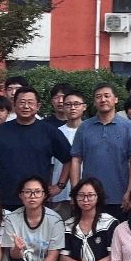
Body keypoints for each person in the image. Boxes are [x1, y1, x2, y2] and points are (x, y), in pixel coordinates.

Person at [0, 86, 72, 210]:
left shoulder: (50, 132)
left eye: (30, 103)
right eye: (22, 102)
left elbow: (68, 159)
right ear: (14, 105)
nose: (26, 106)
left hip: (37, 198)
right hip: (4, 198)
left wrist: (60, 186)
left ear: (38, 106)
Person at [70, 83, 131, 218]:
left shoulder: (129, 127)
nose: (103, 99)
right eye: (98, 97)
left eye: (107, 96)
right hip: (88, 197)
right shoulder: (84, 127)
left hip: (119, 195)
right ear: (94, 102)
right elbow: (76, 160)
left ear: (116, 99)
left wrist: (130, 191)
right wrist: (75, 191)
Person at [49, 90, 86, 218]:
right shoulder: (55, 133)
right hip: (59, 193)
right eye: (68, 104)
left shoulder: (90, 130)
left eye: (76, 104)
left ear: (84, 107)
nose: (72, 108)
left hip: (86, 192)